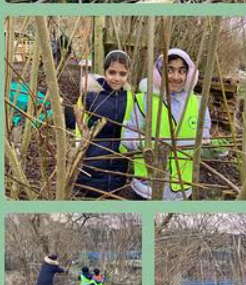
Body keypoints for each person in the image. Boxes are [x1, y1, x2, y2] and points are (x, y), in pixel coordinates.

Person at [122, 49, 212, 200]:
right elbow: (127, 138)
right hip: (147, 188)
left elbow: (203, 143)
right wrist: (146, 145)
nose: (176, 77)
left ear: (188, 75)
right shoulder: (145, 101)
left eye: (182, 71)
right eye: (169, 70)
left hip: (182, 188)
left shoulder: (199, 104)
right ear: (159, 72)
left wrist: (211, 148)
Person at [66, 50, 134, 199]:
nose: (117, 78)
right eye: (112, 72)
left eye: (122, 74)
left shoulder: (130, 98)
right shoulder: (90, 95)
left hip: (118, 166)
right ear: (105, 72)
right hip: (91, 164)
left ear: (128, 74)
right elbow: (78, 126)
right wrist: (81, 150)